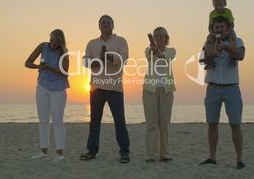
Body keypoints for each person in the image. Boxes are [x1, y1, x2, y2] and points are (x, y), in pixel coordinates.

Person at [80, 15, 131, 163]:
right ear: (99, 26)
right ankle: (92, 151)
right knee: (94, 121)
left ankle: (124, 152)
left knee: (119, 120)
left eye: (108, 22)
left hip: (115, 87)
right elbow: (85, 61)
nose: (106, 25)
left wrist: (108, 56)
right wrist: (97, 61)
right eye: (103, 23)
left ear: (113, 25)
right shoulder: (92, 43)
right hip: (96, 88)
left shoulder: (121, 41)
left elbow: (124, 59)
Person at [200, 16, 246, 169]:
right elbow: (202, 60)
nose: (219, 30)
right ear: (213, 30)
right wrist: (213, 52)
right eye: (216, 27)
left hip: (231, 87)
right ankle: (212, 157)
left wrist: (225, 48)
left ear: (227, 28)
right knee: (212, 124)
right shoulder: (208, 42)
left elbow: (241, 56)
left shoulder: (237, 41)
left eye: (222, 27)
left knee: (235, 124)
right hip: (213, 87)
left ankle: (239, 159)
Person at [25, 29, 70, 162]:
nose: (53, 44)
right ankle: (43, 151)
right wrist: (39, 66)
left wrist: (48, 67)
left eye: (56, 42)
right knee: (43, 119)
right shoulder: (42, 46)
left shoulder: (64, 53)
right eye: (51, 40)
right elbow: (27, 63)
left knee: (57, 120)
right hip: (43, 87)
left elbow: (64, 72)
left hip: (58, 89)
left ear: (60, 42)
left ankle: (60, 153)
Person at [142, 27, 176, 163]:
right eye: (157, 35)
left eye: (162, 35)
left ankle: (164, 154)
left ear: (166, 38)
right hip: (150, 89)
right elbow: (151, 56)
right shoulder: (148, 50)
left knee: (164, 124)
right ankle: (151, 155)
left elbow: (164, 57)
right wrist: (154, 50)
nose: (160, 37)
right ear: (154, 38)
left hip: (167, 90)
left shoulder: (171, 50)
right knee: (151, 124)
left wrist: (158, 51)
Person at [205, 0, 237, 69]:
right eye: (216, 5)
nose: (218, 7)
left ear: (225, 4)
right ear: (213, 5)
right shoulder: (212, 14)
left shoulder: (228, 12)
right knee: (209, 40)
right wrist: (212, 34)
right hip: (215, 31)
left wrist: (228, 32)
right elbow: (210, 26)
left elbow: (232, 24)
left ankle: (232, 58)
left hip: (228, 30)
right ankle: (210, 60)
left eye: (220, 5)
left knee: (233, 37)